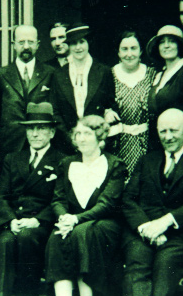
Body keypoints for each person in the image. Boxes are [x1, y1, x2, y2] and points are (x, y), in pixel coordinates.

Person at [121, 108, 183, 296]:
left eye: (173, 130)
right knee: (136, 266)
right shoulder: (147, 161)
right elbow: (127, 198)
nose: (168, 136)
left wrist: (167, 221)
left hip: (180, 235)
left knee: (165, 266)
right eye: (163, 131)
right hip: (144, 232)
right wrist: (146, 227)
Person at [45, 115, 126, 296]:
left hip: (104, 224)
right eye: (78, 133)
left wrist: (76, 219)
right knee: (57, 236)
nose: (81, 138)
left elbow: (107, 204)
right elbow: (58, 199)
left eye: (87, 133)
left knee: (83, 233)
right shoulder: (67, 164)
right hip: (72, 224)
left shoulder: (114, 165)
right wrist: (64, 218)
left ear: (100, 136)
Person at [0, 102, 66, 296]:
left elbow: (61, 199)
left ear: (52, 132)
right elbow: (0, 196)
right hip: (16, 221)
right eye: (31, 128)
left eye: (41, 128)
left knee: (27, 237)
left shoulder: (62, 160)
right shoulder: (13, 158)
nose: (35, 134)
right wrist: (10, 221)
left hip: (42, 225)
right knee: (5, 241)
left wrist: (37, 220)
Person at [0, 25, 56, 166]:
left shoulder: (50, 73)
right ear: (13, 45)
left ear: (37, 45)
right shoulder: (0, 75)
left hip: (42, 142)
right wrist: (10, 127)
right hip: (11, 143)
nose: (26, 46)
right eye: (21, 42)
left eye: (30, 42)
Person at [50, 24, 119, 154]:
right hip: (68, 146)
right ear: (69, 46)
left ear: (88, 43)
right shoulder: (59, 75)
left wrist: (99, 137)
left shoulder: (103, 72)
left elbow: (111, 106)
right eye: (73, 43)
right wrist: (71, 139)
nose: (78, 47)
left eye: (82, 42)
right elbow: (55, 111)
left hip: (97, 145)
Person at [111, 30, 157, 177]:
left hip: (146, 143)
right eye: (124, 49)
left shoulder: (152, 74)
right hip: (118, 144)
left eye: (133, 48)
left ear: (141, 51)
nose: (129, 54)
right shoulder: (109, 75)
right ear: (118, 52)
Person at [147, 25, 183, 149]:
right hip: (158, 139)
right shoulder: (159, 75)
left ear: (179, 45)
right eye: (162, 42)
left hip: (176, 140)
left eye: (171, 41)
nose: (166, 46)